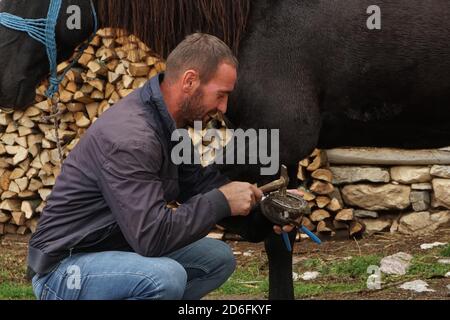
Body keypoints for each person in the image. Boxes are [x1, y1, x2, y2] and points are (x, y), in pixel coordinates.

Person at [28, 33, 296, 300]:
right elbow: (152, 236)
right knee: (165, 277)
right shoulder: (132, 139)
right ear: (190, 81)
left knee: (217, 258)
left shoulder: (168, 125)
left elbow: (200, 187)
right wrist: (222, 200)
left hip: (116, 249)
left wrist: (265, 215)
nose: (223, 107)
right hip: (64, 268)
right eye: (221, 95)